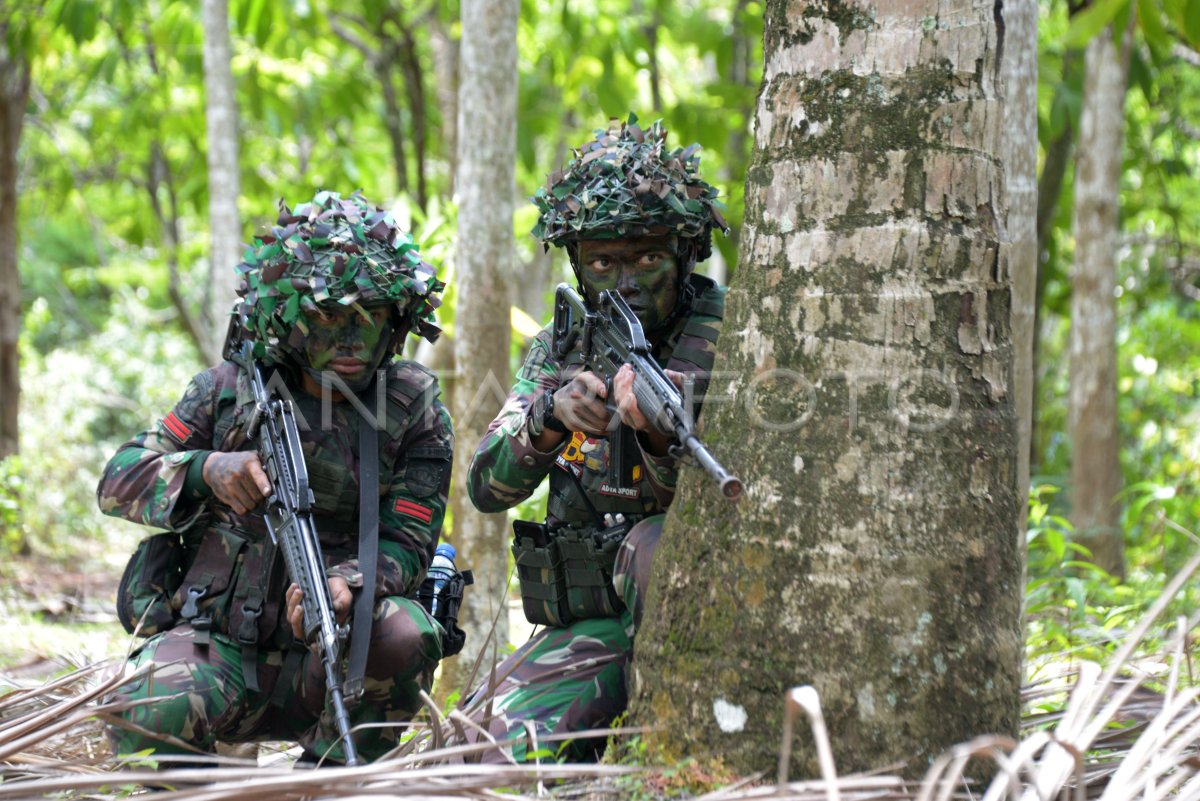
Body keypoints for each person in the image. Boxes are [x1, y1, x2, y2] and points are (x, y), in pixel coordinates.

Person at [98, 190, 454, 765]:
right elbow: (119, 478)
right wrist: (204, 470)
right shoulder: (226, 389)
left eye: (370, 319)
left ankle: (329, 775)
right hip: (217, 648)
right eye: (328, 316)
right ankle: (204, 775)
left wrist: (349, 585)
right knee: (142, 707)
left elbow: (409, 542)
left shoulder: (411, 408)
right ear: (288, 317)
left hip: (329, 657)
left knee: (404, 635)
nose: (349, 339)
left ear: (397, 322)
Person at [463, 115, 728, 762]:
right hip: (589, 624)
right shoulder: (560, 345)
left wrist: (660, 436)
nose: (628, 280)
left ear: (685, 252)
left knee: (652, 543)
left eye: (647, 257)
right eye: (603, 261)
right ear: (578, 266)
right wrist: (549, 418)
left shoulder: (729, 334)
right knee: (473, 757)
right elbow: (486, 486)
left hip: (700, 626)